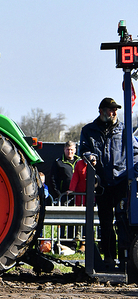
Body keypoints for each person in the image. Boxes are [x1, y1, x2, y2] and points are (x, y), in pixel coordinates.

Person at [79, 97, 138, 267]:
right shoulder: (89, 130)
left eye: (115, 110)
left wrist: (131, 173)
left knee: (122, 222)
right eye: (111, 110)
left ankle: (125, 259)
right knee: (105, 223)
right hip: (102, 184)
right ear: (101, 111)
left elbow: (135, 152)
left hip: (120, 182)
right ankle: (109, 258)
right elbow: (84, 150)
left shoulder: (124, 129)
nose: (114, 113)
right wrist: (90, 156)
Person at [49, 141, 80, 246]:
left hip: (77, 196)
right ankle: (60, 241)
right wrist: (58, 194)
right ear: (64, 150)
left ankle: (72, 243)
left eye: (71, 149)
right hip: (63, 195)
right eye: (68, 150)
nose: (70, 152)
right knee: (62, 220)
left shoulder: (79, 162)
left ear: (75, 150)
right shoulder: (58, 162)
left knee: (74, 220)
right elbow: (53, 179)